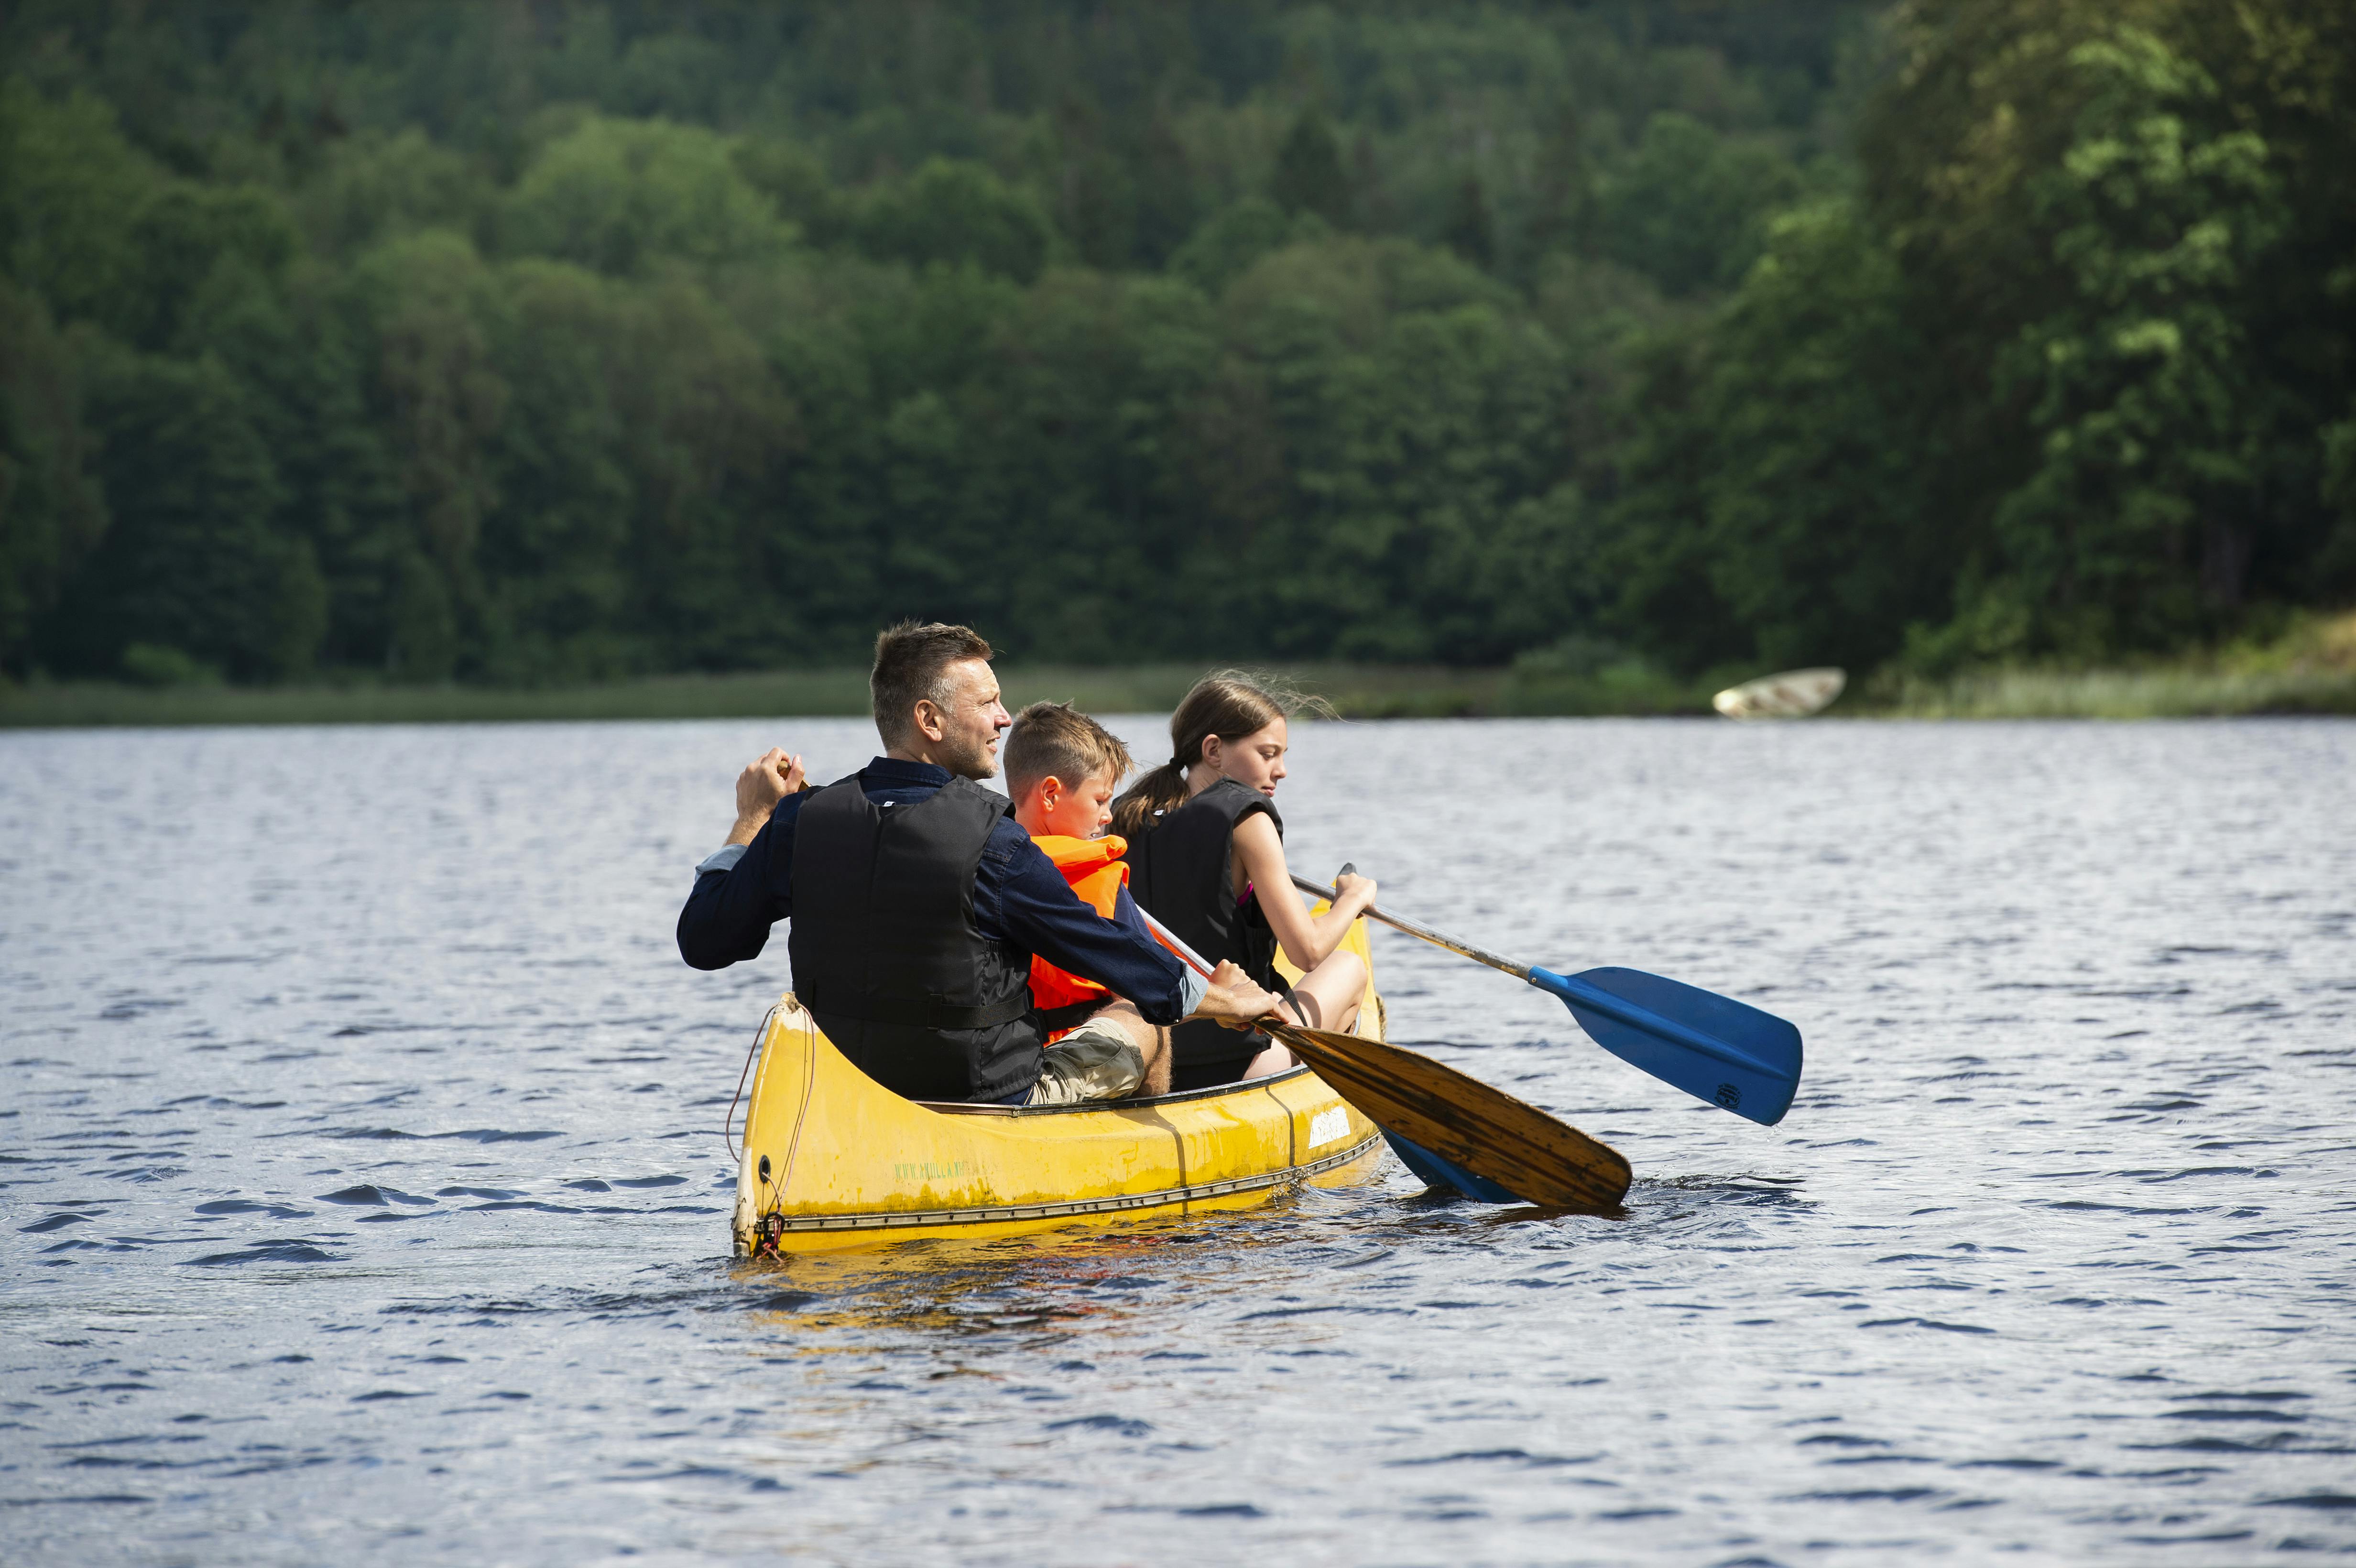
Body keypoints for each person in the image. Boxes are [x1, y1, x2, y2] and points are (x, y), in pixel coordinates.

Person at [676, 622, 1279, 1106]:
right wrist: (1228, 999)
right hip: (985, 1099)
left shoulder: (800, 820)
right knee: (1140, 1018)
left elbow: (704, 940)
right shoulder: (996, 836)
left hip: (848, 1096)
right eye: (988, 702)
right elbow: (1118, 959)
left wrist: (753, 817)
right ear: (929, 720)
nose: (1005, 718)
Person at [1112, 671, 1377, 1093]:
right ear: (1213, 749)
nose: (1282, 770)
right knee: (1347, 967)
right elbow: (1306, 951)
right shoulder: (1249, 817)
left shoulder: (1127, 814)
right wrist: (1353, 898)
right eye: (1268, 753)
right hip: (1239, 1063)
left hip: (1151, 1057)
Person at [1001, 701, 1169, 1092]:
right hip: (1071, 1068)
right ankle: (1154, 1114)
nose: (1108, 815)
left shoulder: (982, 862)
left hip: (1005, 1062)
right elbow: (1148, 985)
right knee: (1151, 1019)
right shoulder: (1100, 879)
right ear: (1050, 795)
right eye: (1100, 800)